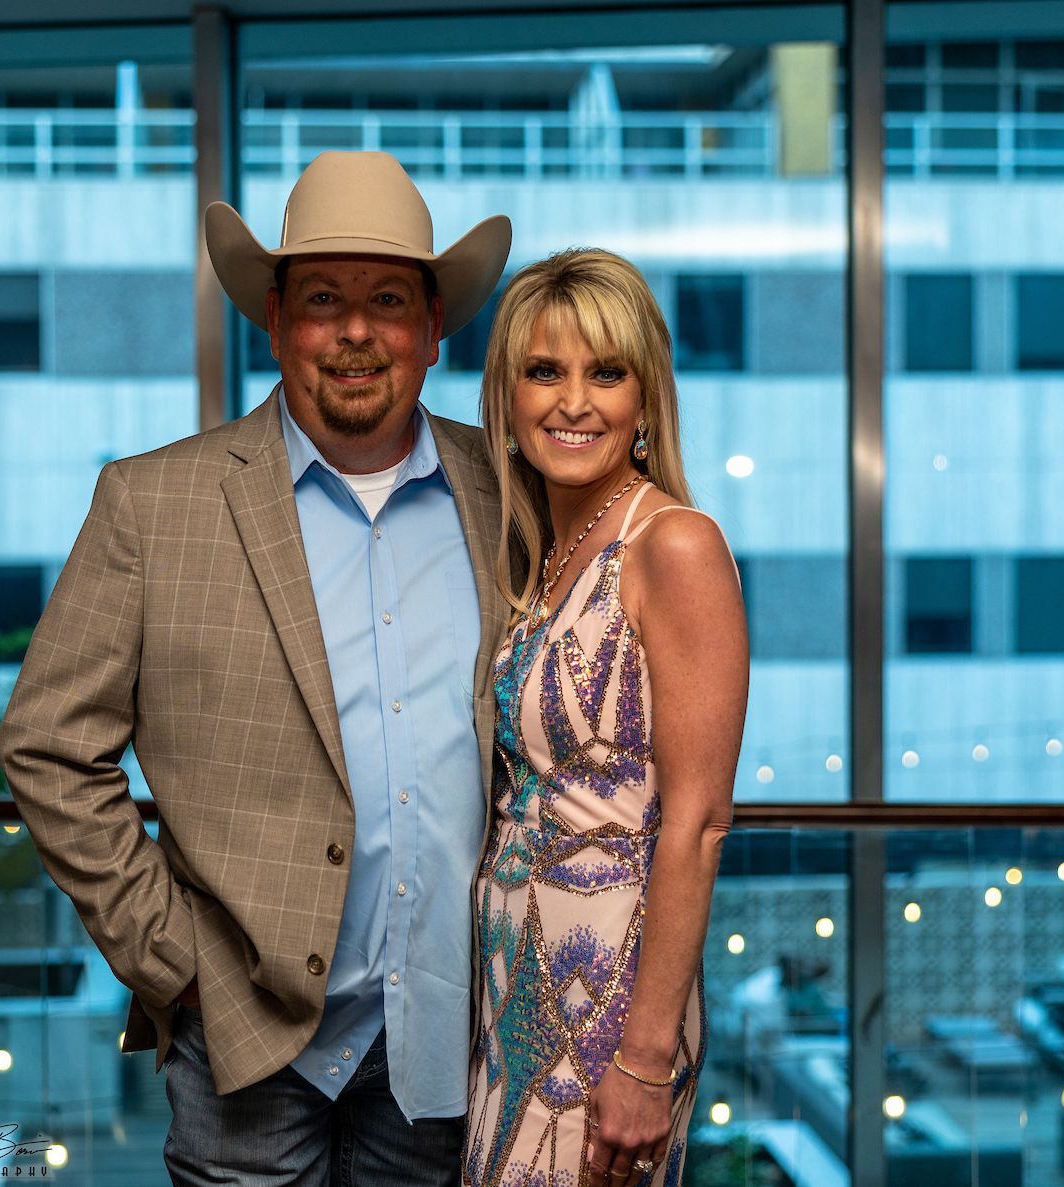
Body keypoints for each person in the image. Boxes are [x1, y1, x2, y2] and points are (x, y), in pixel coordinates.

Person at [0, 150, 512, 1187]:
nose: (356, 331)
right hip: (245, 1037)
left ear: (433, 329)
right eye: (322, 300)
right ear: (273, 320)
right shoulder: (152, 504)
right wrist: (170, 957)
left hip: (448, 1031)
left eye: (388, 300)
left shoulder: (506, 489)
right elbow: (48, 745)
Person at [463, 249, 748, 1187]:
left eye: (607, 373)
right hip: (515, 991)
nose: (574, 402)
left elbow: (698, 821)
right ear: (507, 398)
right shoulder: (544, 555)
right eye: (545, 371)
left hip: (610, 1009)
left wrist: (646, 1058)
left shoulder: (675, 544)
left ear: (646, 399)